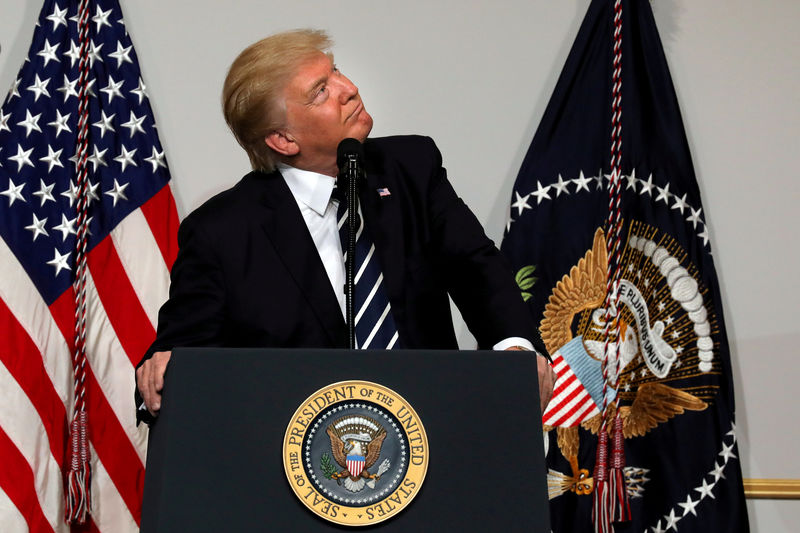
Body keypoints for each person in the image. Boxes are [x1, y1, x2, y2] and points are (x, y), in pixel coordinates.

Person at [135, 29, 555, 424]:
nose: (347, 87)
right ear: (283, 140)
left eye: (334, 70)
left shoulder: (410, 168)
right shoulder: (222, 232)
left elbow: (475, 268)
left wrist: (514, 345)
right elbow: (181, 354)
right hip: (297, 458)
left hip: (431, 429)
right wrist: (165, 367)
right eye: (320, 91)